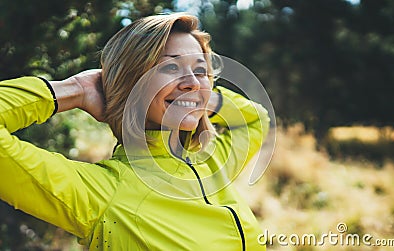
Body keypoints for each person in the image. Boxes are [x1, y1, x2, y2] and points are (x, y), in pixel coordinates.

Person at [0, 13, 269, 250]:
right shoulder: (103, 194)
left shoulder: (211, 161)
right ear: (131, 82)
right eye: (171, 67)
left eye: (200, 70)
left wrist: (203, 97)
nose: (192, 82)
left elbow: (257, 119)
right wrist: (75, 90)